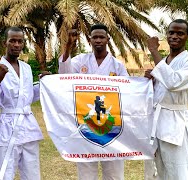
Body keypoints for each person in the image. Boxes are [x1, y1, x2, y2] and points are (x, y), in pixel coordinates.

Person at [59, 24, 128, 180]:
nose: (98, 40)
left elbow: (128, 93)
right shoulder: (80, 60)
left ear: (107, 39)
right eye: (94, 37)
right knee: (86, 172)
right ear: (89, 40)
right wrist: (69, 47)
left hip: (111, 123)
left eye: (101, 37)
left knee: (114, 173)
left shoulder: (117, 66)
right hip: (86, 122)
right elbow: (64, 76)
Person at [0, 26, 50, 180]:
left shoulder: (26, 68)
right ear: (5, 42)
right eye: (12, 41)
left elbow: (27, 97)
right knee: (3, 172)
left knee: (32, 174)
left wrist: (43, 83)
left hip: (28, 127)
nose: (16, 45)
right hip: (6, 127)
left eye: (20, 41)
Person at [145, 19, 188, 180]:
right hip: (156, 123)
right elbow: (158, 92)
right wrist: (150, 81)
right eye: (171, 32)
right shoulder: (163, 62)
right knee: (157, 170)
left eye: (180, 33)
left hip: (175, 124)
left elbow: (173, 82)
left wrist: (153, 50)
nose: (174, 36)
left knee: (179, 171)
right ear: (167, 34)